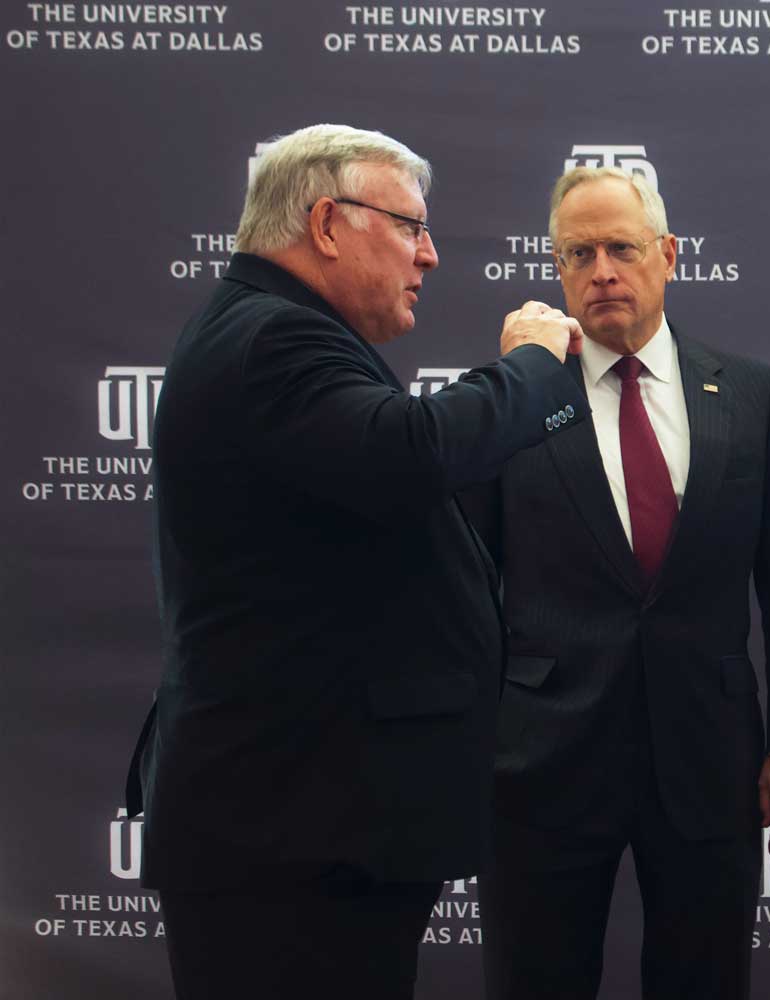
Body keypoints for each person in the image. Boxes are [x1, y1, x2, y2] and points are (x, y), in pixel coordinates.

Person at [123, 123, 588, 1000]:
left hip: (309, 822)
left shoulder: (272, 330)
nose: (431, 254)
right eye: (411, 226)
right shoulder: (273, 340)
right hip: (289, 834)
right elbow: (410, 452)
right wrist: (529, 364)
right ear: (329, 223)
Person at [466, 166, 770, 1000]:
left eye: (622, 248)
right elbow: (465, 580)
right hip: (539, 763)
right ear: (556, 270)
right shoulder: (511, 400)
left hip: (709, 756)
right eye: (578, 253)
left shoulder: (749, 394)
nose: (601, 271)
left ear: (667, 255)